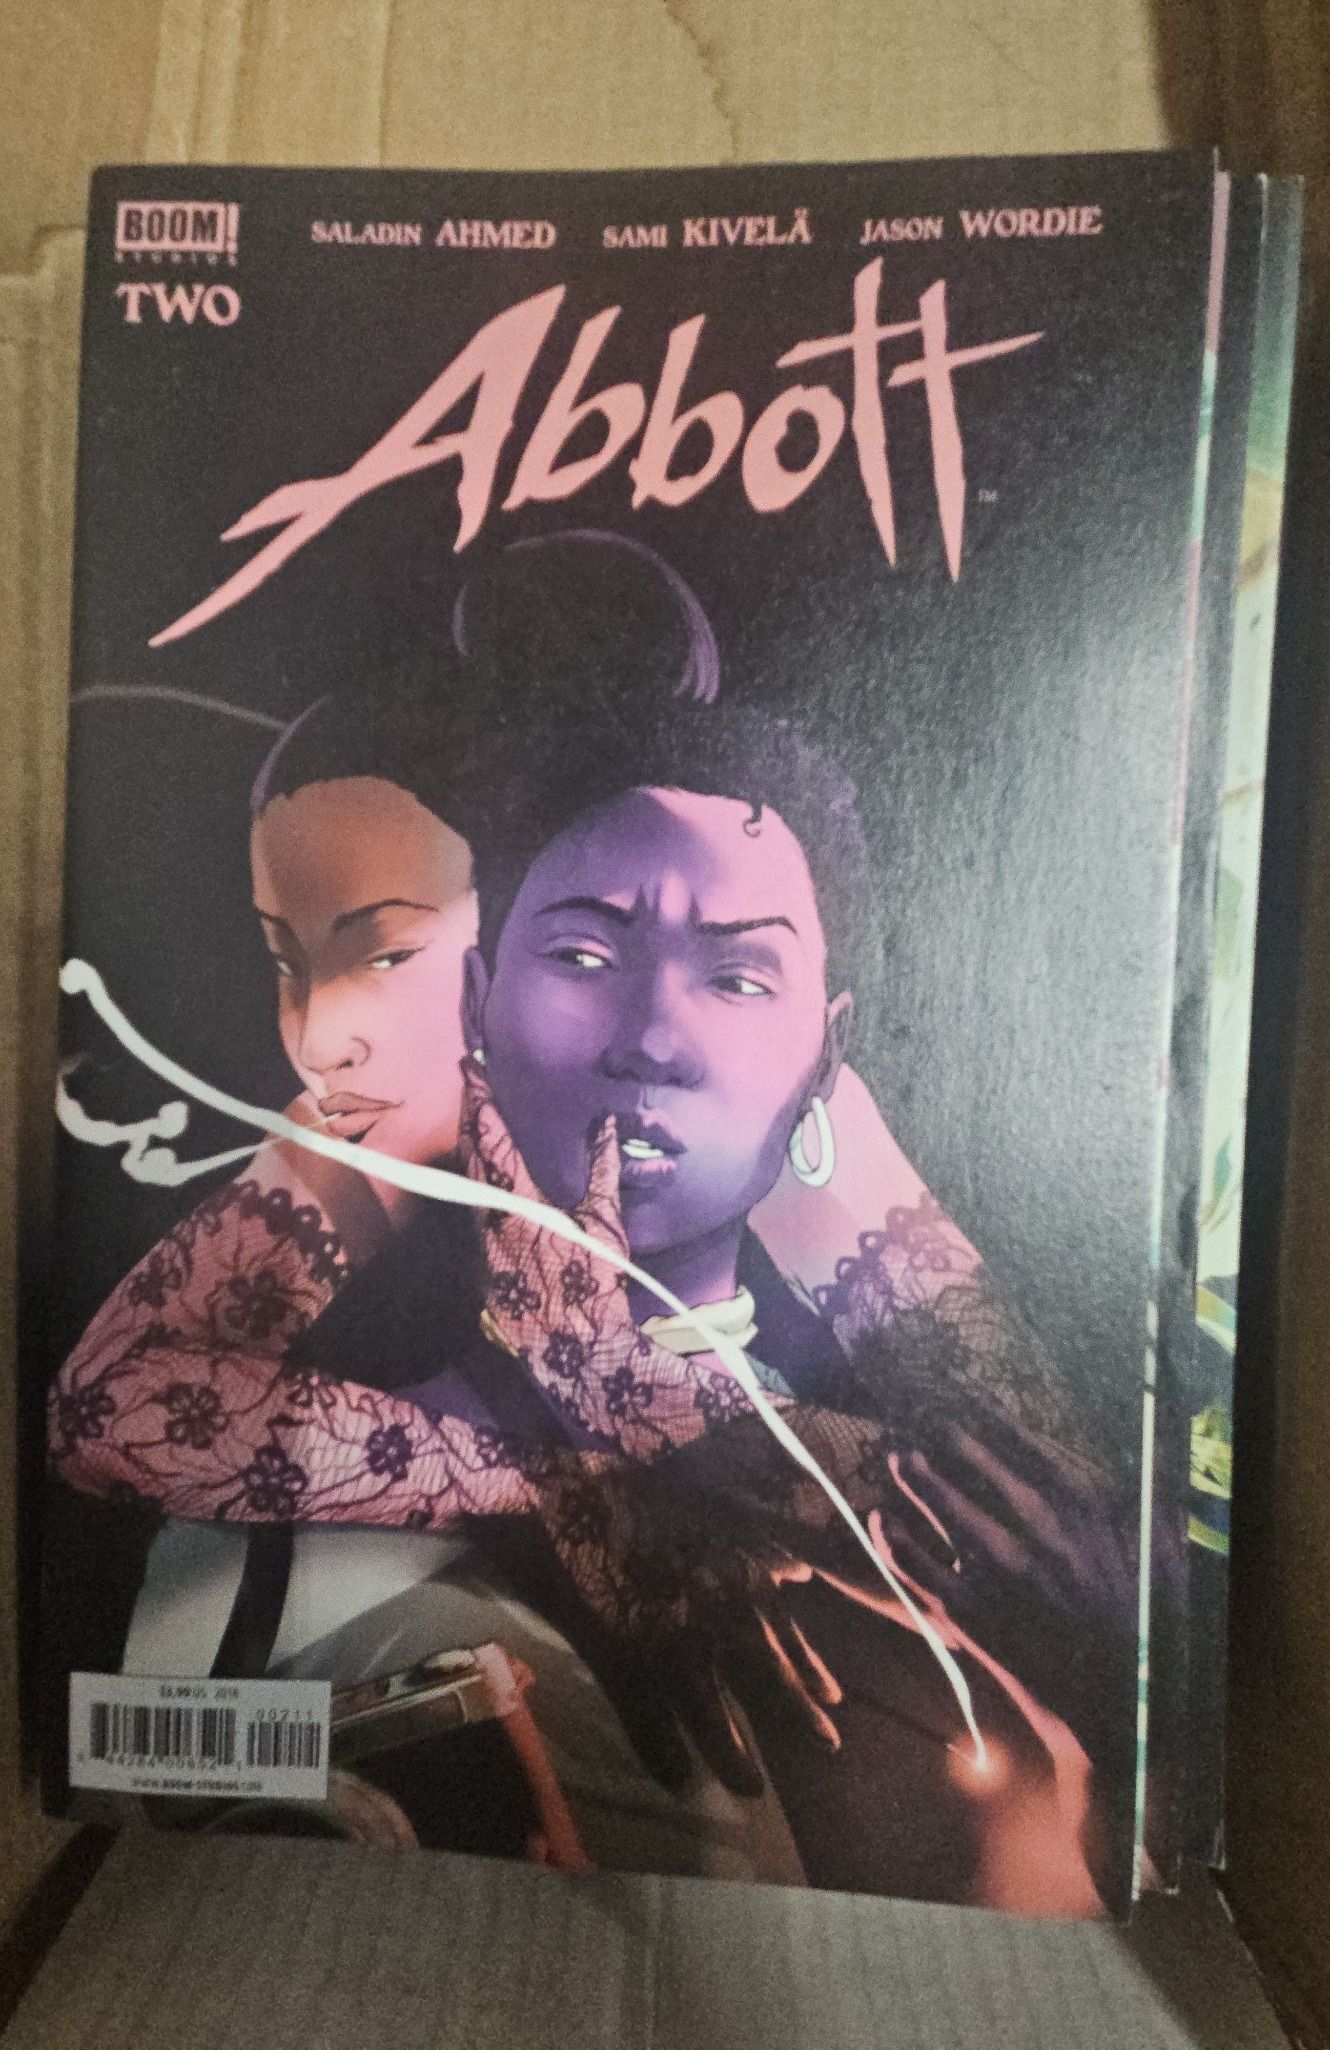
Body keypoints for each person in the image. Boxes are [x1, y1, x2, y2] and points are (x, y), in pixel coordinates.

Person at [52, 673, 1135, 1907]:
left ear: (827, 1047)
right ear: (477, 997)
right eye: (581, 954)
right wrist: (581, 1459)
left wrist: (664, 1419)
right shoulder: (409, 1089)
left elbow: (1039, 1486)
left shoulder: (816, 1132)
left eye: (737, 977)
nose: (650, 1037)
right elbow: (102, 1411)